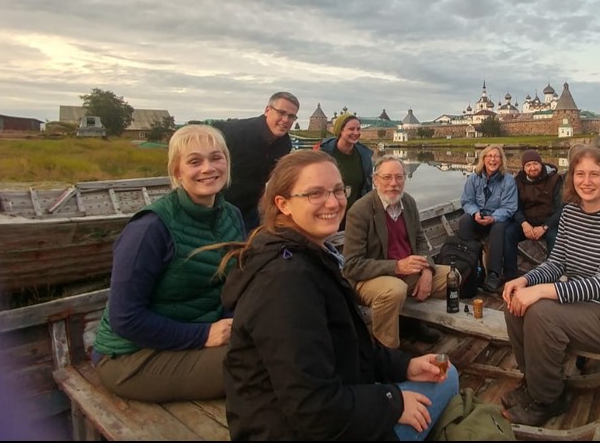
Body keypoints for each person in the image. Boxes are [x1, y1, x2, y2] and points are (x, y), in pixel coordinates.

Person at [217, 150, 459, 440]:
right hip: (297, 430)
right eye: (314, 194)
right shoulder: (286, 283)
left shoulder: (313, 257)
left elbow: (346, 346)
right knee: (449, 378)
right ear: (283, 204)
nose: (332, 202)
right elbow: (313, 410)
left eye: (336, 190)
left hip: (335, 401)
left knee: (442, 354)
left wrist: (403, 365)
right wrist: (393, 402)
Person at [90, 124, 244, 402]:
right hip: (130, 357)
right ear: (177, 171)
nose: (208, 168)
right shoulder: (150, 228)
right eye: (195, 161)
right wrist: (203, 334)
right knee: (261, 366)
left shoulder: (231, 216)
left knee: (283, 343)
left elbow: (233, 286)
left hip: (195, 340)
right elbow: (125, 319)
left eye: (216, 157)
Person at [500, 145, 600, 426]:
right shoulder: (570, 214)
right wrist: (523, 280)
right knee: (516, 301)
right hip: (583, 308)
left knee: (542, 313)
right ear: (572, 178)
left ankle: (547, 400)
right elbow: (556, 265)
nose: (586, 181)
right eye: (580, 174)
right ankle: (533, 382)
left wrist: (541, 291)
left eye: (595, 174)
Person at [343, 156, 449, 348]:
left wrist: (427, 271)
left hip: (410, 272)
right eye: (387, 177)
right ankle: (386, 349)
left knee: (451, 277)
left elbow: (420, 242)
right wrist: (397, 266)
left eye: (399, 177)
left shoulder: (408, 202)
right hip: (372, 279)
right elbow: (351, 266)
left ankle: (412, 323)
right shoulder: (360, 211)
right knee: (394, 290)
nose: (394, 183)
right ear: (375, 180)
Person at [221, 91, 299, 233]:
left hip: (250, 210)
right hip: (220, 205)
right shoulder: (236, 132)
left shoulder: (284, 144)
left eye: (291, 116)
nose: (286, 119)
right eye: (281, 113)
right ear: (267, 110)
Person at [458, 145, 518, 294]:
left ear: (501, 160)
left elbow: (509, 207)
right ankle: (471, 267)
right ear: (483, 159)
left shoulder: (508, 180)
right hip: (479, 216)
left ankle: (493, 273)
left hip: (498, 218)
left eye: (496, 156)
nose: (493, 159)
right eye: (489, 156)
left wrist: (493, 218)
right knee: (464, 221)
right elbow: (467, 201)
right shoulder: (473, 178)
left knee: (498, 229)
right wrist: (475, 213)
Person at [504, 149, 564, 279]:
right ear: (524, 167)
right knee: (508, 233)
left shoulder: (555, 179)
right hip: (527, 222)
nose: (532, 168)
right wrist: (524, 224)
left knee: (555, 237)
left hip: (548, 223)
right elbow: (515, 206)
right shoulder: (518, 181)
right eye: (528, 165)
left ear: (541, 165)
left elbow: (561, 208)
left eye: (535, 164)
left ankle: (551, 276)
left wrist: (544, 227)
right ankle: (510, 275)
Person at [316, 113, 374, 219]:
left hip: (356, 216)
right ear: (340, 131)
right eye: (351, 129)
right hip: (328, 212)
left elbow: (368, 186)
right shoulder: (324, 153)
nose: (356, 133)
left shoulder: (364, 155)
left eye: (358, 129)